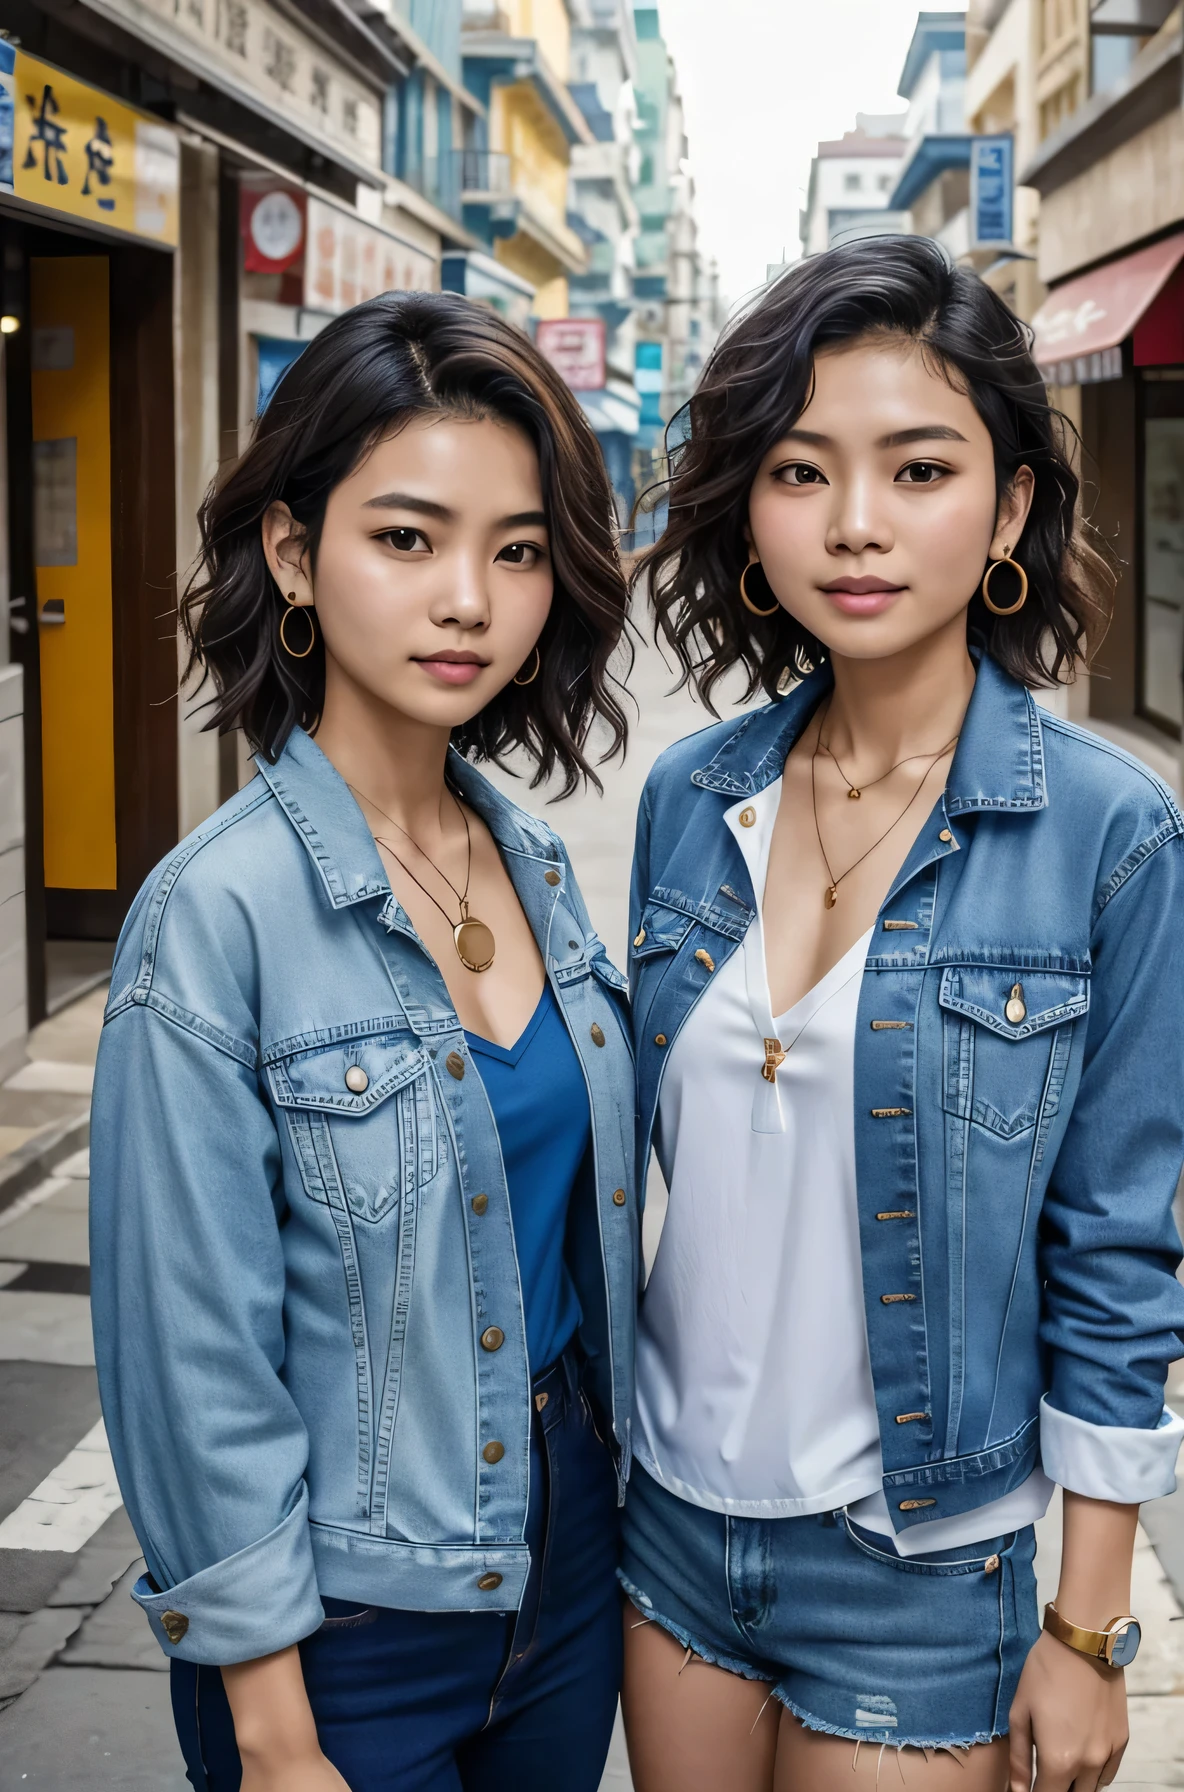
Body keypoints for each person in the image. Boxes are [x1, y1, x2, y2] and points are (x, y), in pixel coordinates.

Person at [620, 235, 1184, 1792]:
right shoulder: (693, 798)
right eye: (800, 472)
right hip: (666, 1524)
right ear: (749, 507)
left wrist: (1086, 1633)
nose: (855, 525)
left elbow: (1119, 1256)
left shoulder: (1108, 836)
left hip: (921, 1565)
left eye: (918, 468)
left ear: (1007, 507)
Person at [89, 291, 638, 1792]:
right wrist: (271, 1726)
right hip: (345, 1626)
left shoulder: (532, 861)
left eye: (516, 551)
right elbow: (193, 1360)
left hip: (566, 1564)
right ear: (292, 554)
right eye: (407, 539)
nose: (468, 598)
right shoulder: (215, 917)